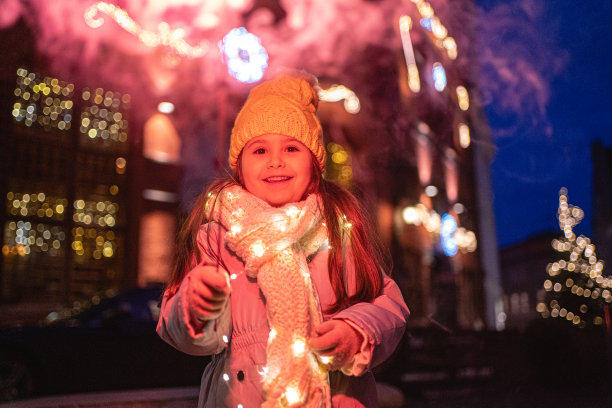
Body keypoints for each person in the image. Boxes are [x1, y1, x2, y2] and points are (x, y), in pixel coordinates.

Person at [156, 74, 409, 408]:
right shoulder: (219, 238)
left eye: (291, 148)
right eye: (260, 150)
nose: (275, 160)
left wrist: (356, 330)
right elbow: (184, 331)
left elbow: (387, 304)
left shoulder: (335, 230)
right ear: (240, 167)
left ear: (314, 162)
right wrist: (195, 306)